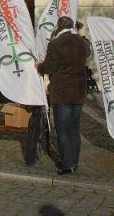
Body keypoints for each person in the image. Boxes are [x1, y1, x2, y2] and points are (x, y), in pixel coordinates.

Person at [37, 16, 90, 175]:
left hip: (62, 92)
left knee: (63, 129)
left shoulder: (56, 43)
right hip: (79, 91)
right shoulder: (82, 43)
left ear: (59, 27)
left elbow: (50, 68)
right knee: (74, 129)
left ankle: (67, 164)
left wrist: (39, 66)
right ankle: (74, 162)